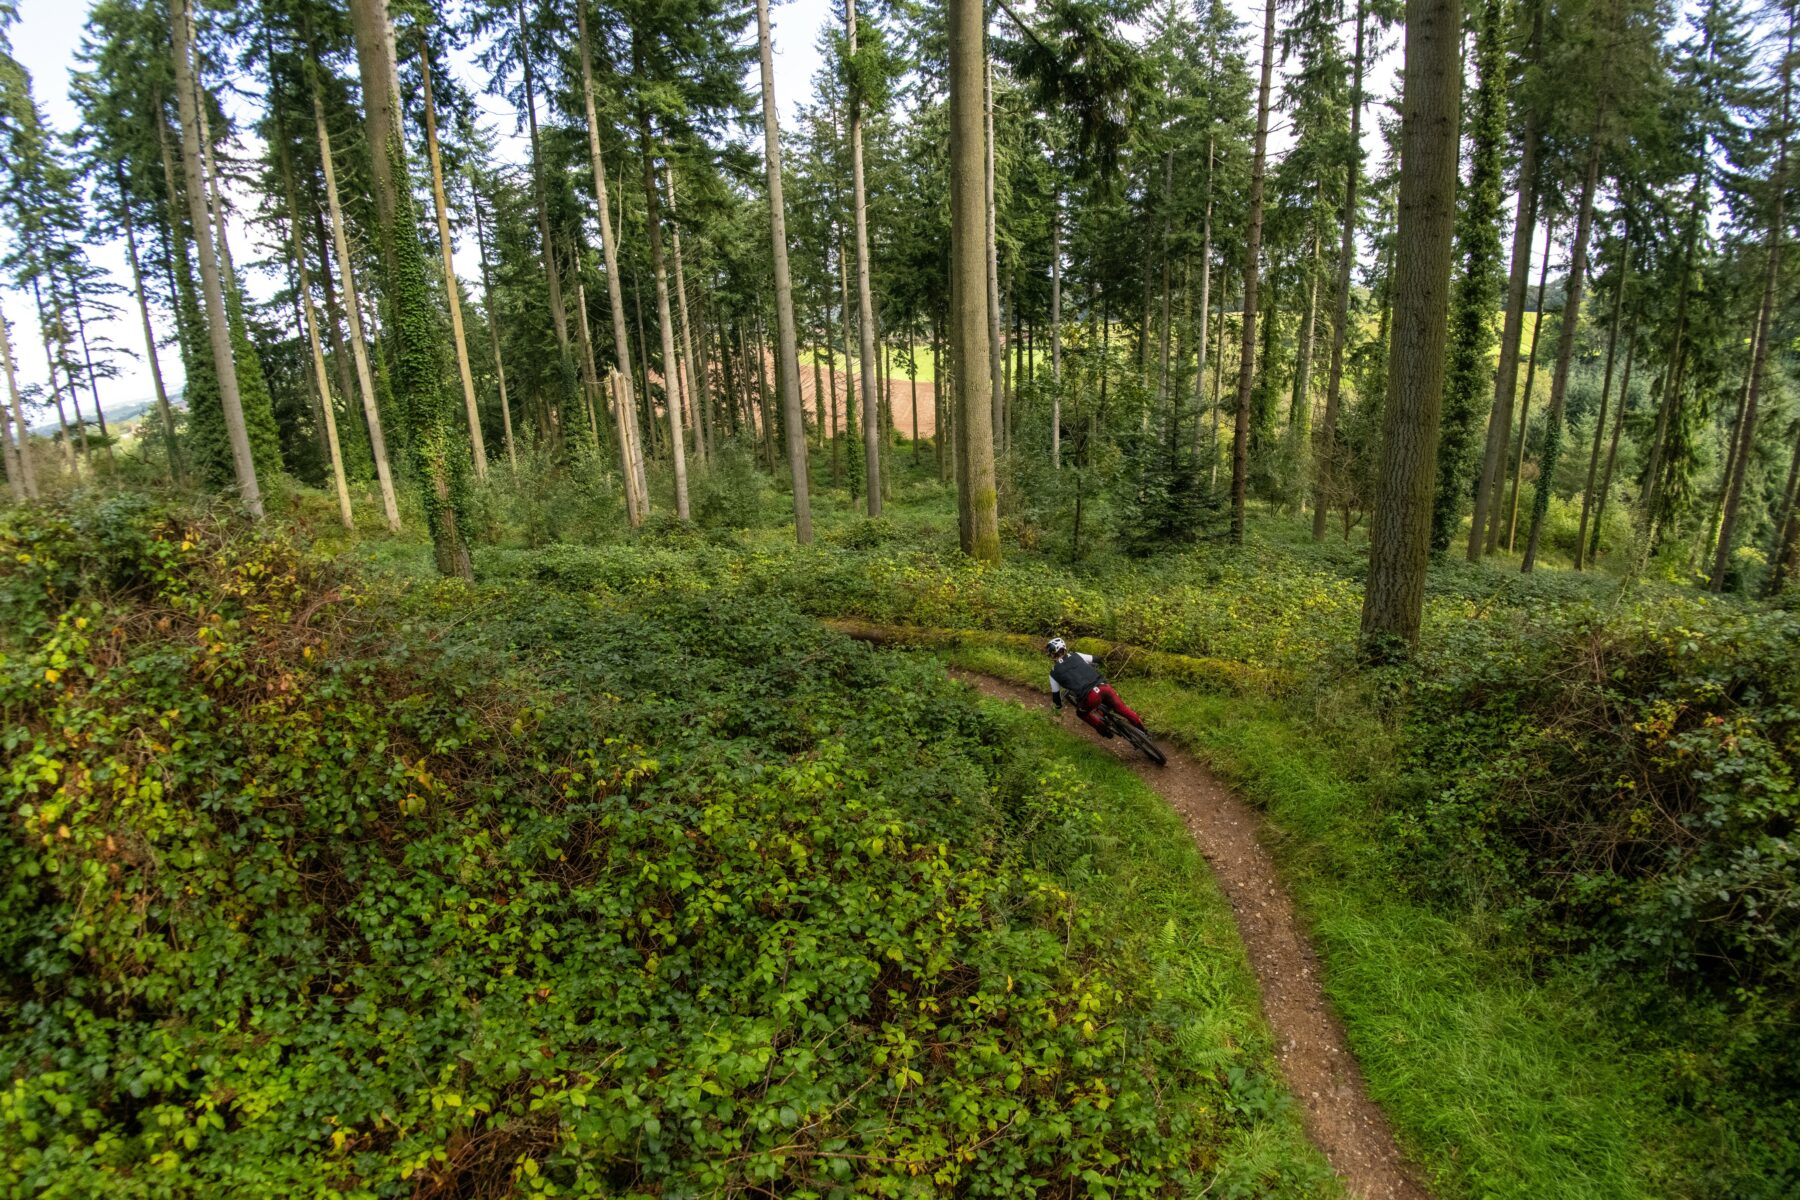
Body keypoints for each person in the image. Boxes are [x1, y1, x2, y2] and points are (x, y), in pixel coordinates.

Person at [1046, 636, 1144, 738]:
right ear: (1064, 648)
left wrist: (1058, 706)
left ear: (1052, 654)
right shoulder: (1076, 655)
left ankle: (1105, 731)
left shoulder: (1053, 673)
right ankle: (1144, 732)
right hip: (1104, 687)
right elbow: (1097, 659)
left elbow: (1056, 698)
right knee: (1122, 709)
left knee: (1081, 713)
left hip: (1091, 697)